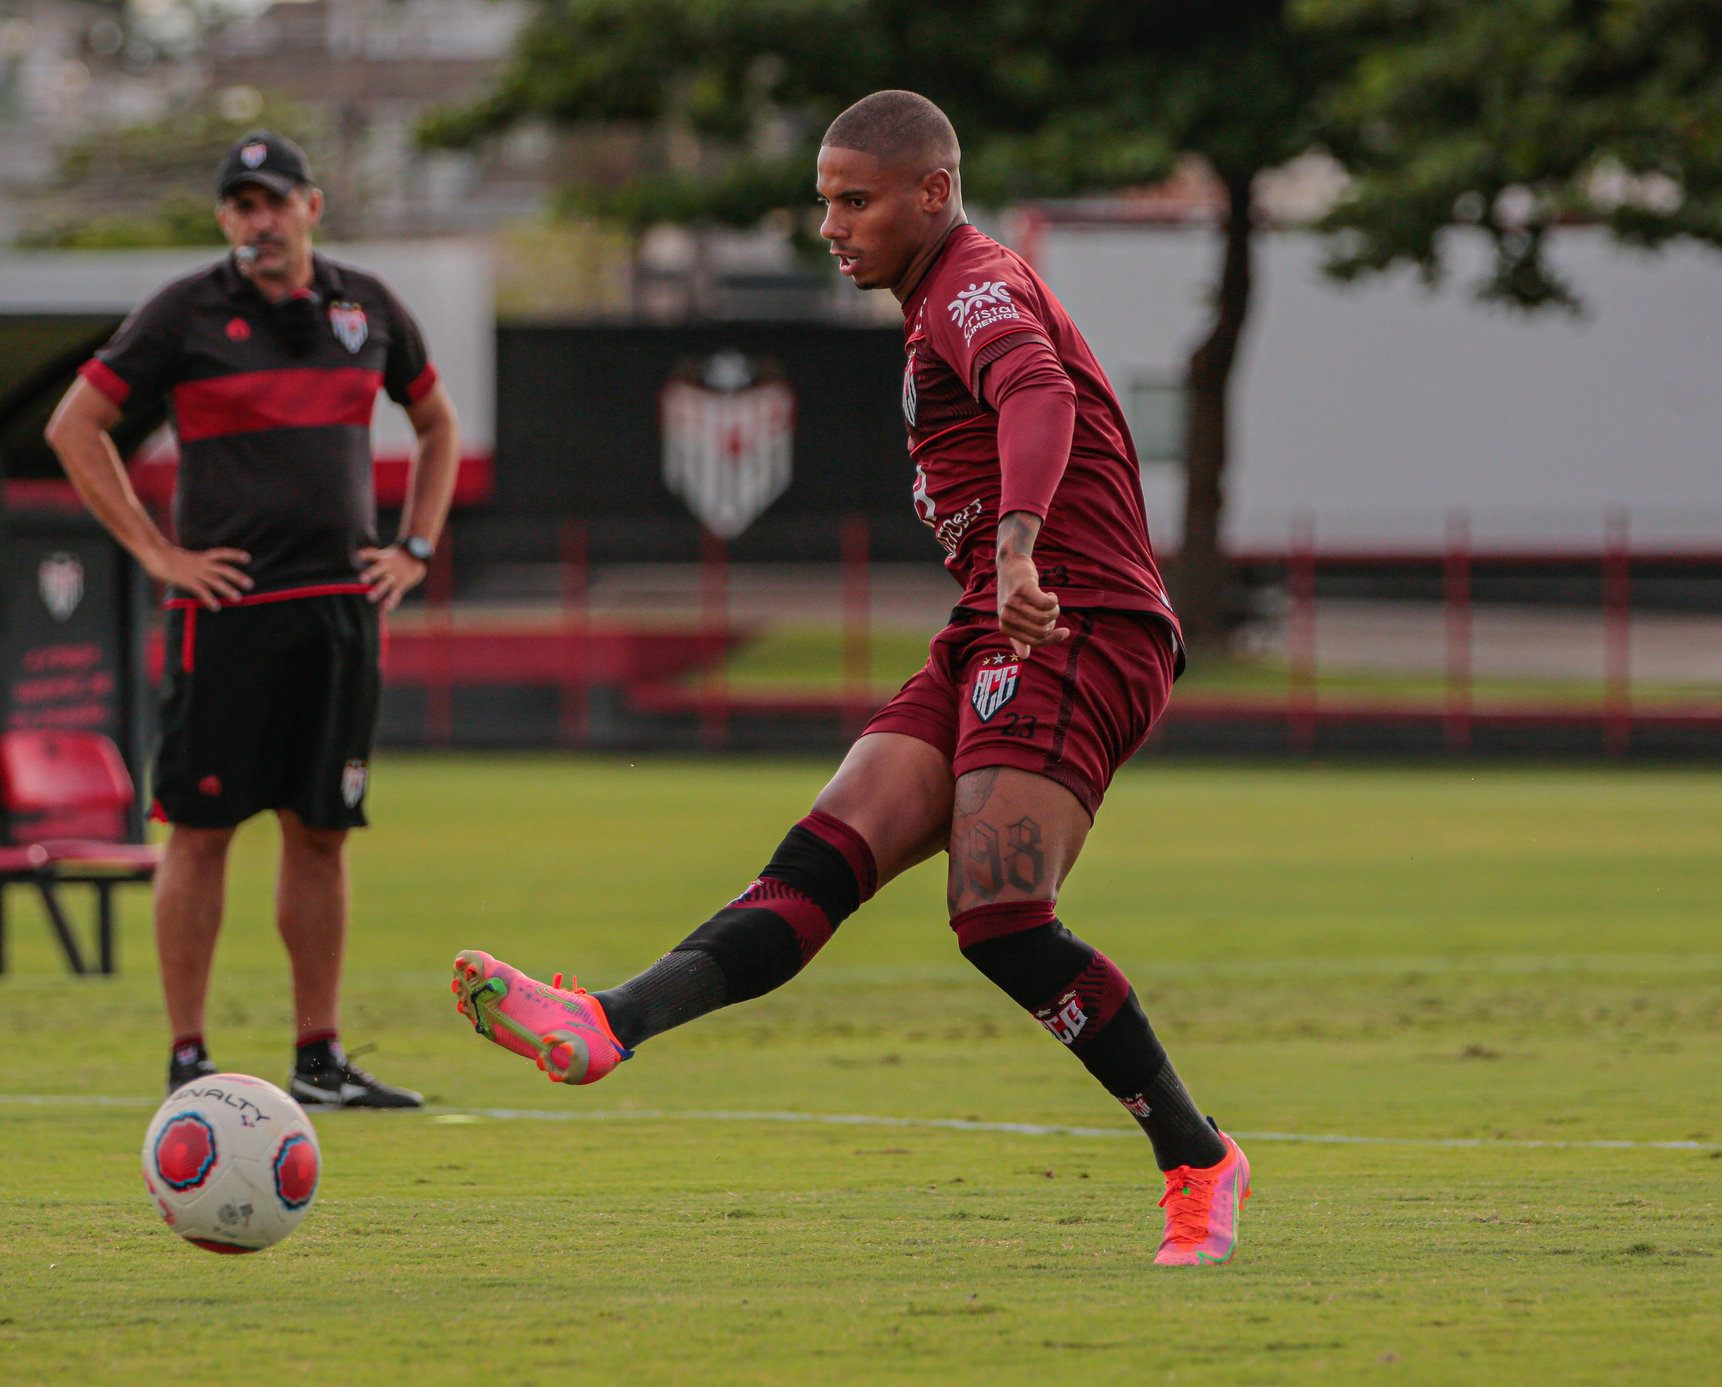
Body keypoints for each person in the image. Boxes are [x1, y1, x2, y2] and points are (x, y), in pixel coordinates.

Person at [450, 92, 1250, 1264]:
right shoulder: (933, 299)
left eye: (853, 200)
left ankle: (1196, 1158)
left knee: (1000, 916)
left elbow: (1038, 393)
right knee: (825, 851)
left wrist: (1022, 543)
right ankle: (607, 1021)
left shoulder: (973, 284)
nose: (830, 224)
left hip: (1072, 625)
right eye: (823, 199)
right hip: (990, 625)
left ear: (932, 192)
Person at [46, 130, 460, 1107]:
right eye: (239, 205)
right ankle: (187, 1055)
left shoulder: (366, 309)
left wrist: (414, 546)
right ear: (224, 220)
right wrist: (157, 553)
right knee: (199, 829)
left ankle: (318, 1057)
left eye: (273, 201)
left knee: (320, 830)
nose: (257, 222)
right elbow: (75, 427)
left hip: (340, 613)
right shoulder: (184, 312)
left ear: (312, 206)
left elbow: (435, 422)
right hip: (226, 617)